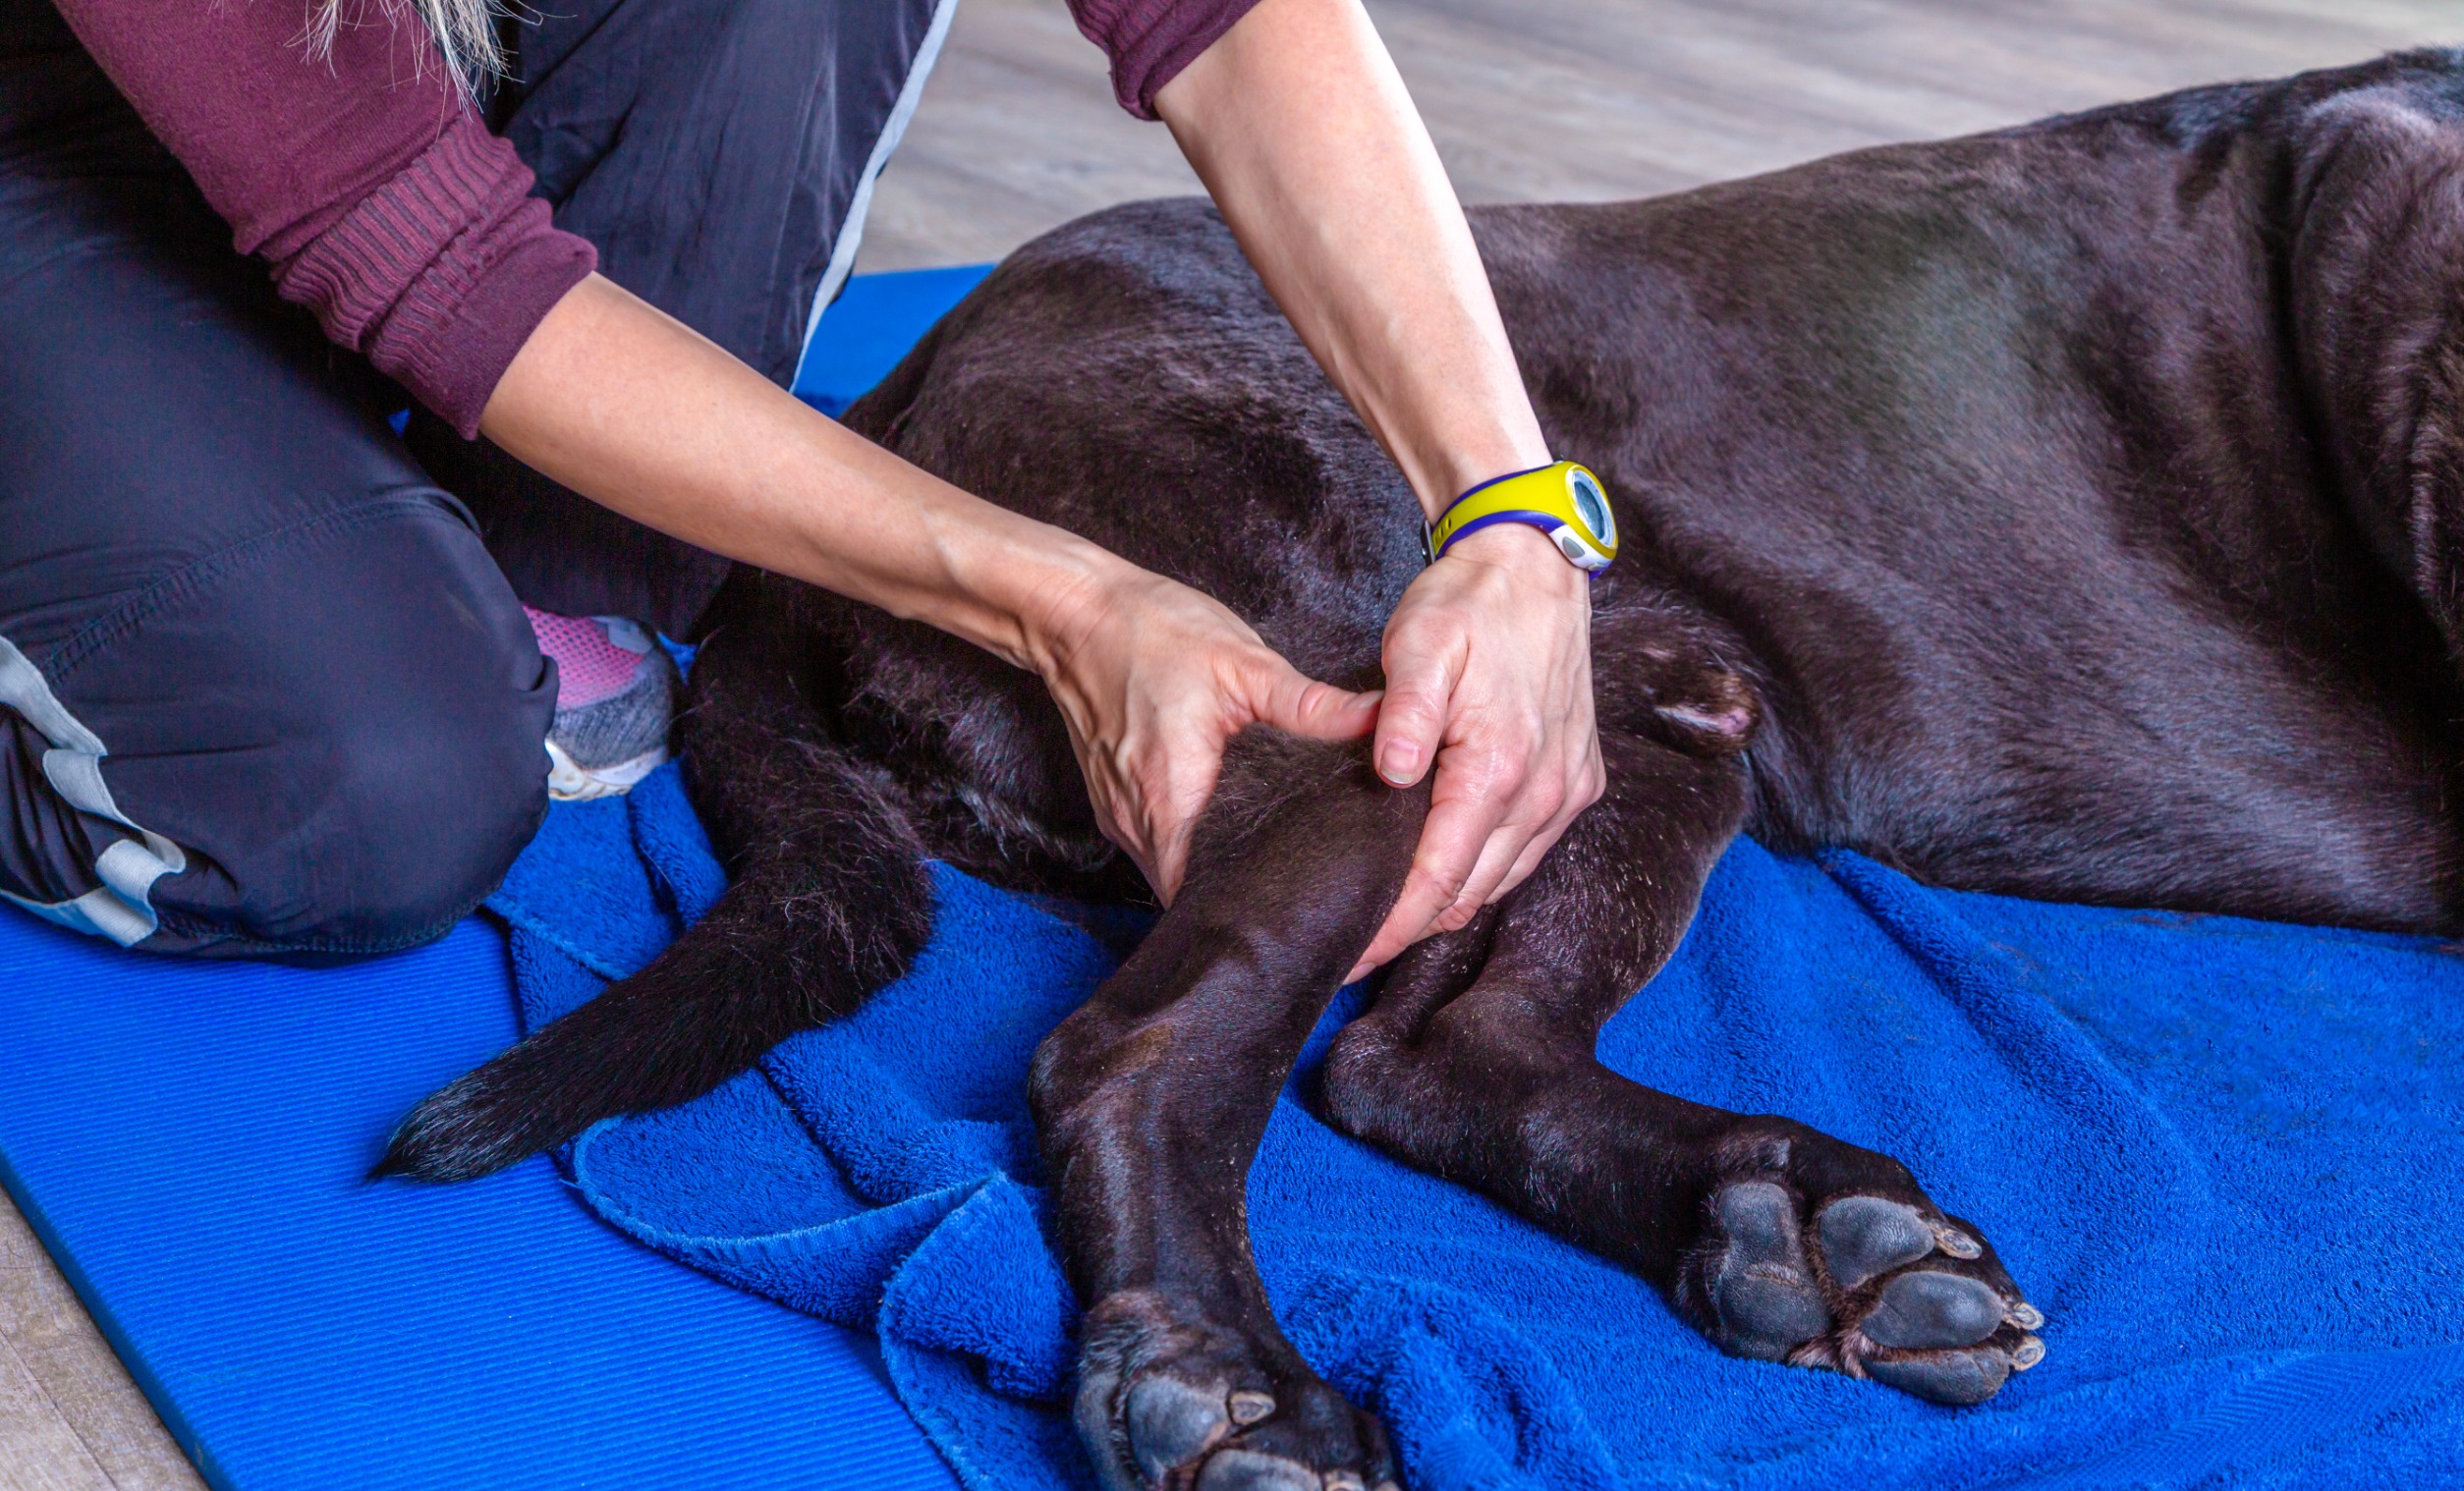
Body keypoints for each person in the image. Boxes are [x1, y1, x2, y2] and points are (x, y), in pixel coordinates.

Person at [0, 0, 1600, 973]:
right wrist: (1070, 603)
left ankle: (425, 532)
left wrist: (1511, 510)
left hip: (367, 69)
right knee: (360, 796)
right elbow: (422, 249)